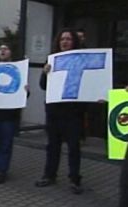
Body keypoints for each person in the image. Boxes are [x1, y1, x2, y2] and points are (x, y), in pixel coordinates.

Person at [35, 28, 85, 194]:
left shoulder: (81, 60)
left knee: (73, 147)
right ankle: (49, 175)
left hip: (73, 113)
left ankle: (74, 179)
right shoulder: (52, 60)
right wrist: (44, 73)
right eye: (62, 39)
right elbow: (43, 86)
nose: (65, 42)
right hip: (54, 112)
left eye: (69, 39)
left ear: (74, 42)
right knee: (53, 146)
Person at [0, 44, 28, 184]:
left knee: (6, 143)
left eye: (6, 48)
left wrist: (26, 91)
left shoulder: (18, 70)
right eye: (0, 49)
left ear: (11, 52)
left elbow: (23, 95)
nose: (2, 50)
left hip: (10, 116)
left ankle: (2, 170)